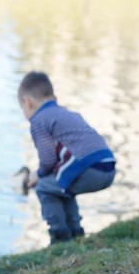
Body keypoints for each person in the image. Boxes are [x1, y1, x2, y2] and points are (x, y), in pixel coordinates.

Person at [18, 71, 116, 244]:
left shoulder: (39, 120)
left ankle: (60, 237)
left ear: (27, 102)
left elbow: (48, 159)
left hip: (90, 169)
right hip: (108, 165)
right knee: (62, 183)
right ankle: (76, 234)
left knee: (43, 186)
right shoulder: (67, 114)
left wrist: (37, 175)